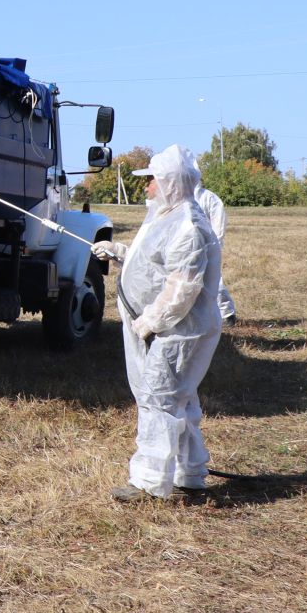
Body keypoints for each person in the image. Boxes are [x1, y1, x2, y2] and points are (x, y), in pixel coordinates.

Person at [91, 145, 225, 504]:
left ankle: (150, 483)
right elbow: (154, 263)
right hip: (168, 328)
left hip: (180, 329)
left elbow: (182, 289)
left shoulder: (188, 225)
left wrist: (149, 322)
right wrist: (118, 252)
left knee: (159, 399)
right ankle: (189, 473)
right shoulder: (166, 216)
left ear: (170, 182)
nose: (146, 186)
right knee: (178, 399)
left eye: (151, 179)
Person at [195, 184, 238, 324]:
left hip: (207, 246)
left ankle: (227, 315)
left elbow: (218, 222)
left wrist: (213, 245)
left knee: (212, 280)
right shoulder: (176, 196)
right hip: (187, 246)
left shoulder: (208, 198)